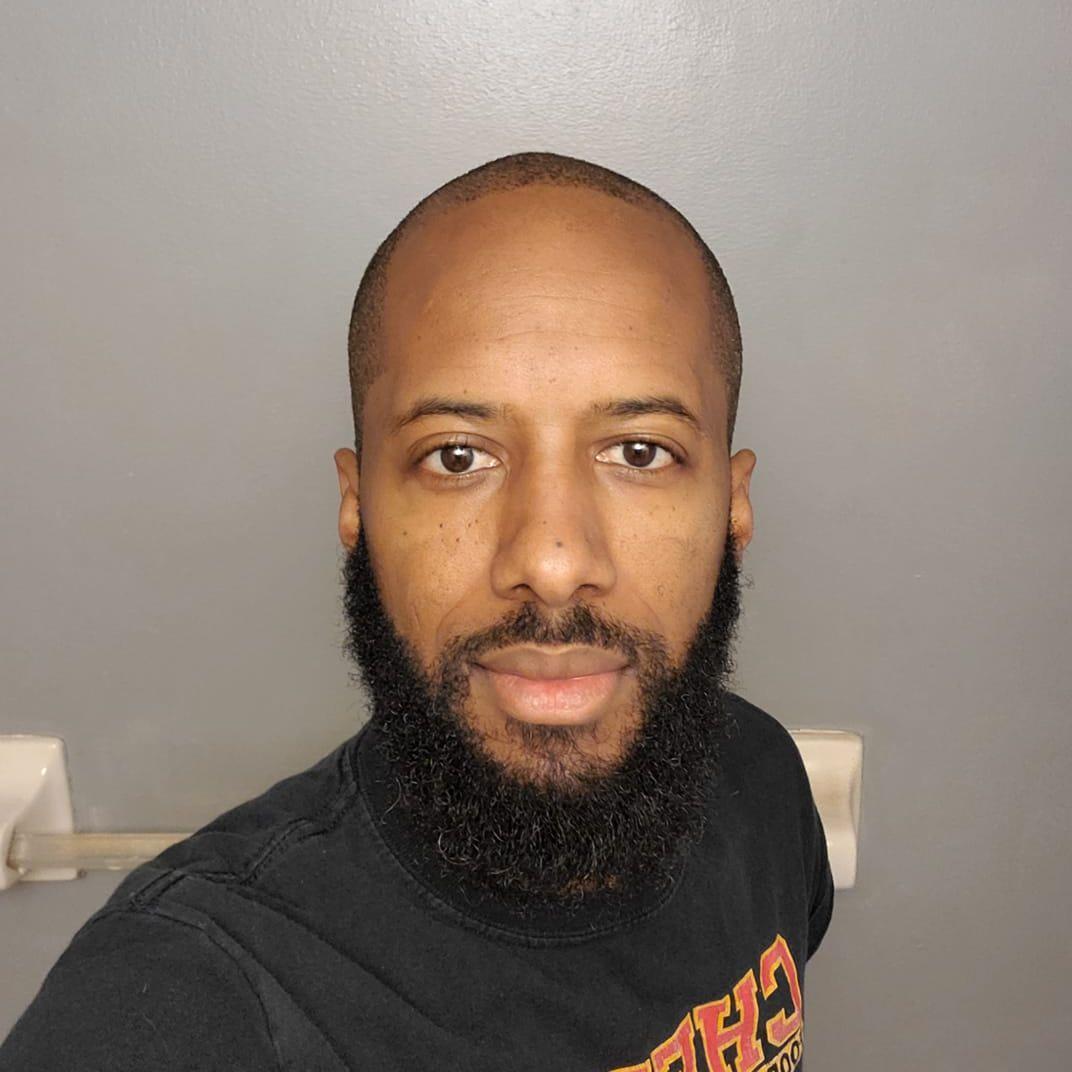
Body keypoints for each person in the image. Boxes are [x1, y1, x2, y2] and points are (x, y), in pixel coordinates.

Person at [0, 151, 833, 1071]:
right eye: (457, 456)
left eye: (639, 452)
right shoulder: (190, 990)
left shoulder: (760, 778)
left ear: (732, 504)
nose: (552, 564)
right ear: (357, 505)